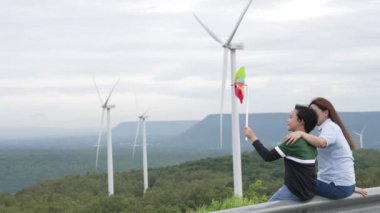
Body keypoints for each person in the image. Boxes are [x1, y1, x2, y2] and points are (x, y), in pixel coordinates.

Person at [284, 97, 368, 199]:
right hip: (342, 185)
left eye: (314, 111)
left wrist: (301, 133)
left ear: (326, 113)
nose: (312, 115)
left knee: (296, 184)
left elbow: (322, 143)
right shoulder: (328, 128)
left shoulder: (330, 127)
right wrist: (349, 187)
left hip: (337, 187)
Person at [244, 105, 318, 201]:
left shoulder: (293, 142)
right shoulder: (311, 141)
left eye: (291, 117)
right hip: (309, 191)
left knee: (268, 209)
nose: (288, 120)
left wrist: (252, 137)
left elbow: (268, 156)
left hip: (295, 191)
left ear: (301, 121)